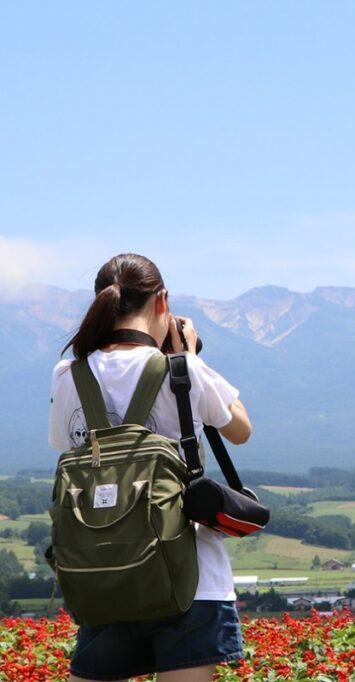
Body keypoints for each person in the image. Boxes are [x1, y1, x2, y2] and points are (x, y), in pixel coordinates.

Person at [49, 253, 252, 682]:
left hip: (104, 573)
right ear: (162, 302)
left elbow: (67, 449)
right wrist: (191, 355)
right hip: (192, 579)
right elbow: (241, 429)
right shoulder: (185, 370)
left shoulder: (69, 375)